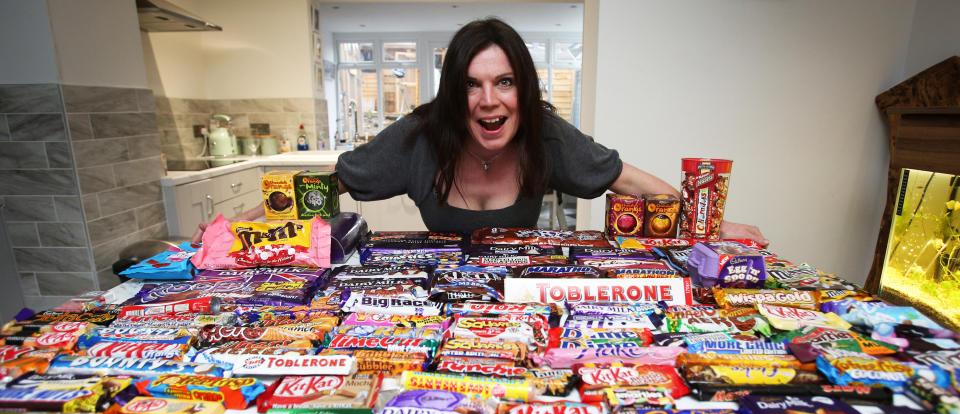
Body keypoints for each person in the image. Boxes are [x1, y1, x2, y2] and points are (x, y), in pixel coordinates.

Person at [193, 18, 767, 246]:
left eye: (505, 83)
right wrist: (240, 226)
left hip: (518, 315)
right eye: (472, 85)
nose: (489, 101)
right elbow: (325, 187)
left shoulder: (547, 135)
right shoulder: (418, 137)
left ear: (525, 89)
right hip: (433, 316)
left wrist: (708, 225)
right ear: (453, 94)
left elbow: (636, 185)